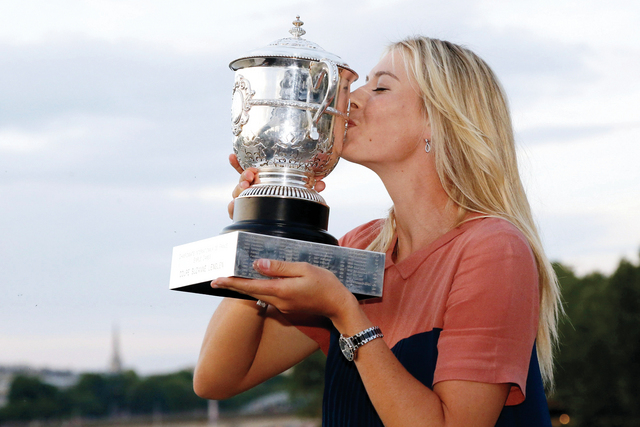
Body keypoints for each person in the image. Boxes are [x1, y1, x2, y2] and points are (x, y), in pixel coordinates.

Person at [193, 36, 561, 427]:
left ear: (438, 121)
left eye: (380, 87)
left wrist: (346, 314)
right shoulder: (361, 248)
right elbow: (217, 379)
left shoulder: (494, 250)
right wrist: (262, 235)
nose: (350, 98)